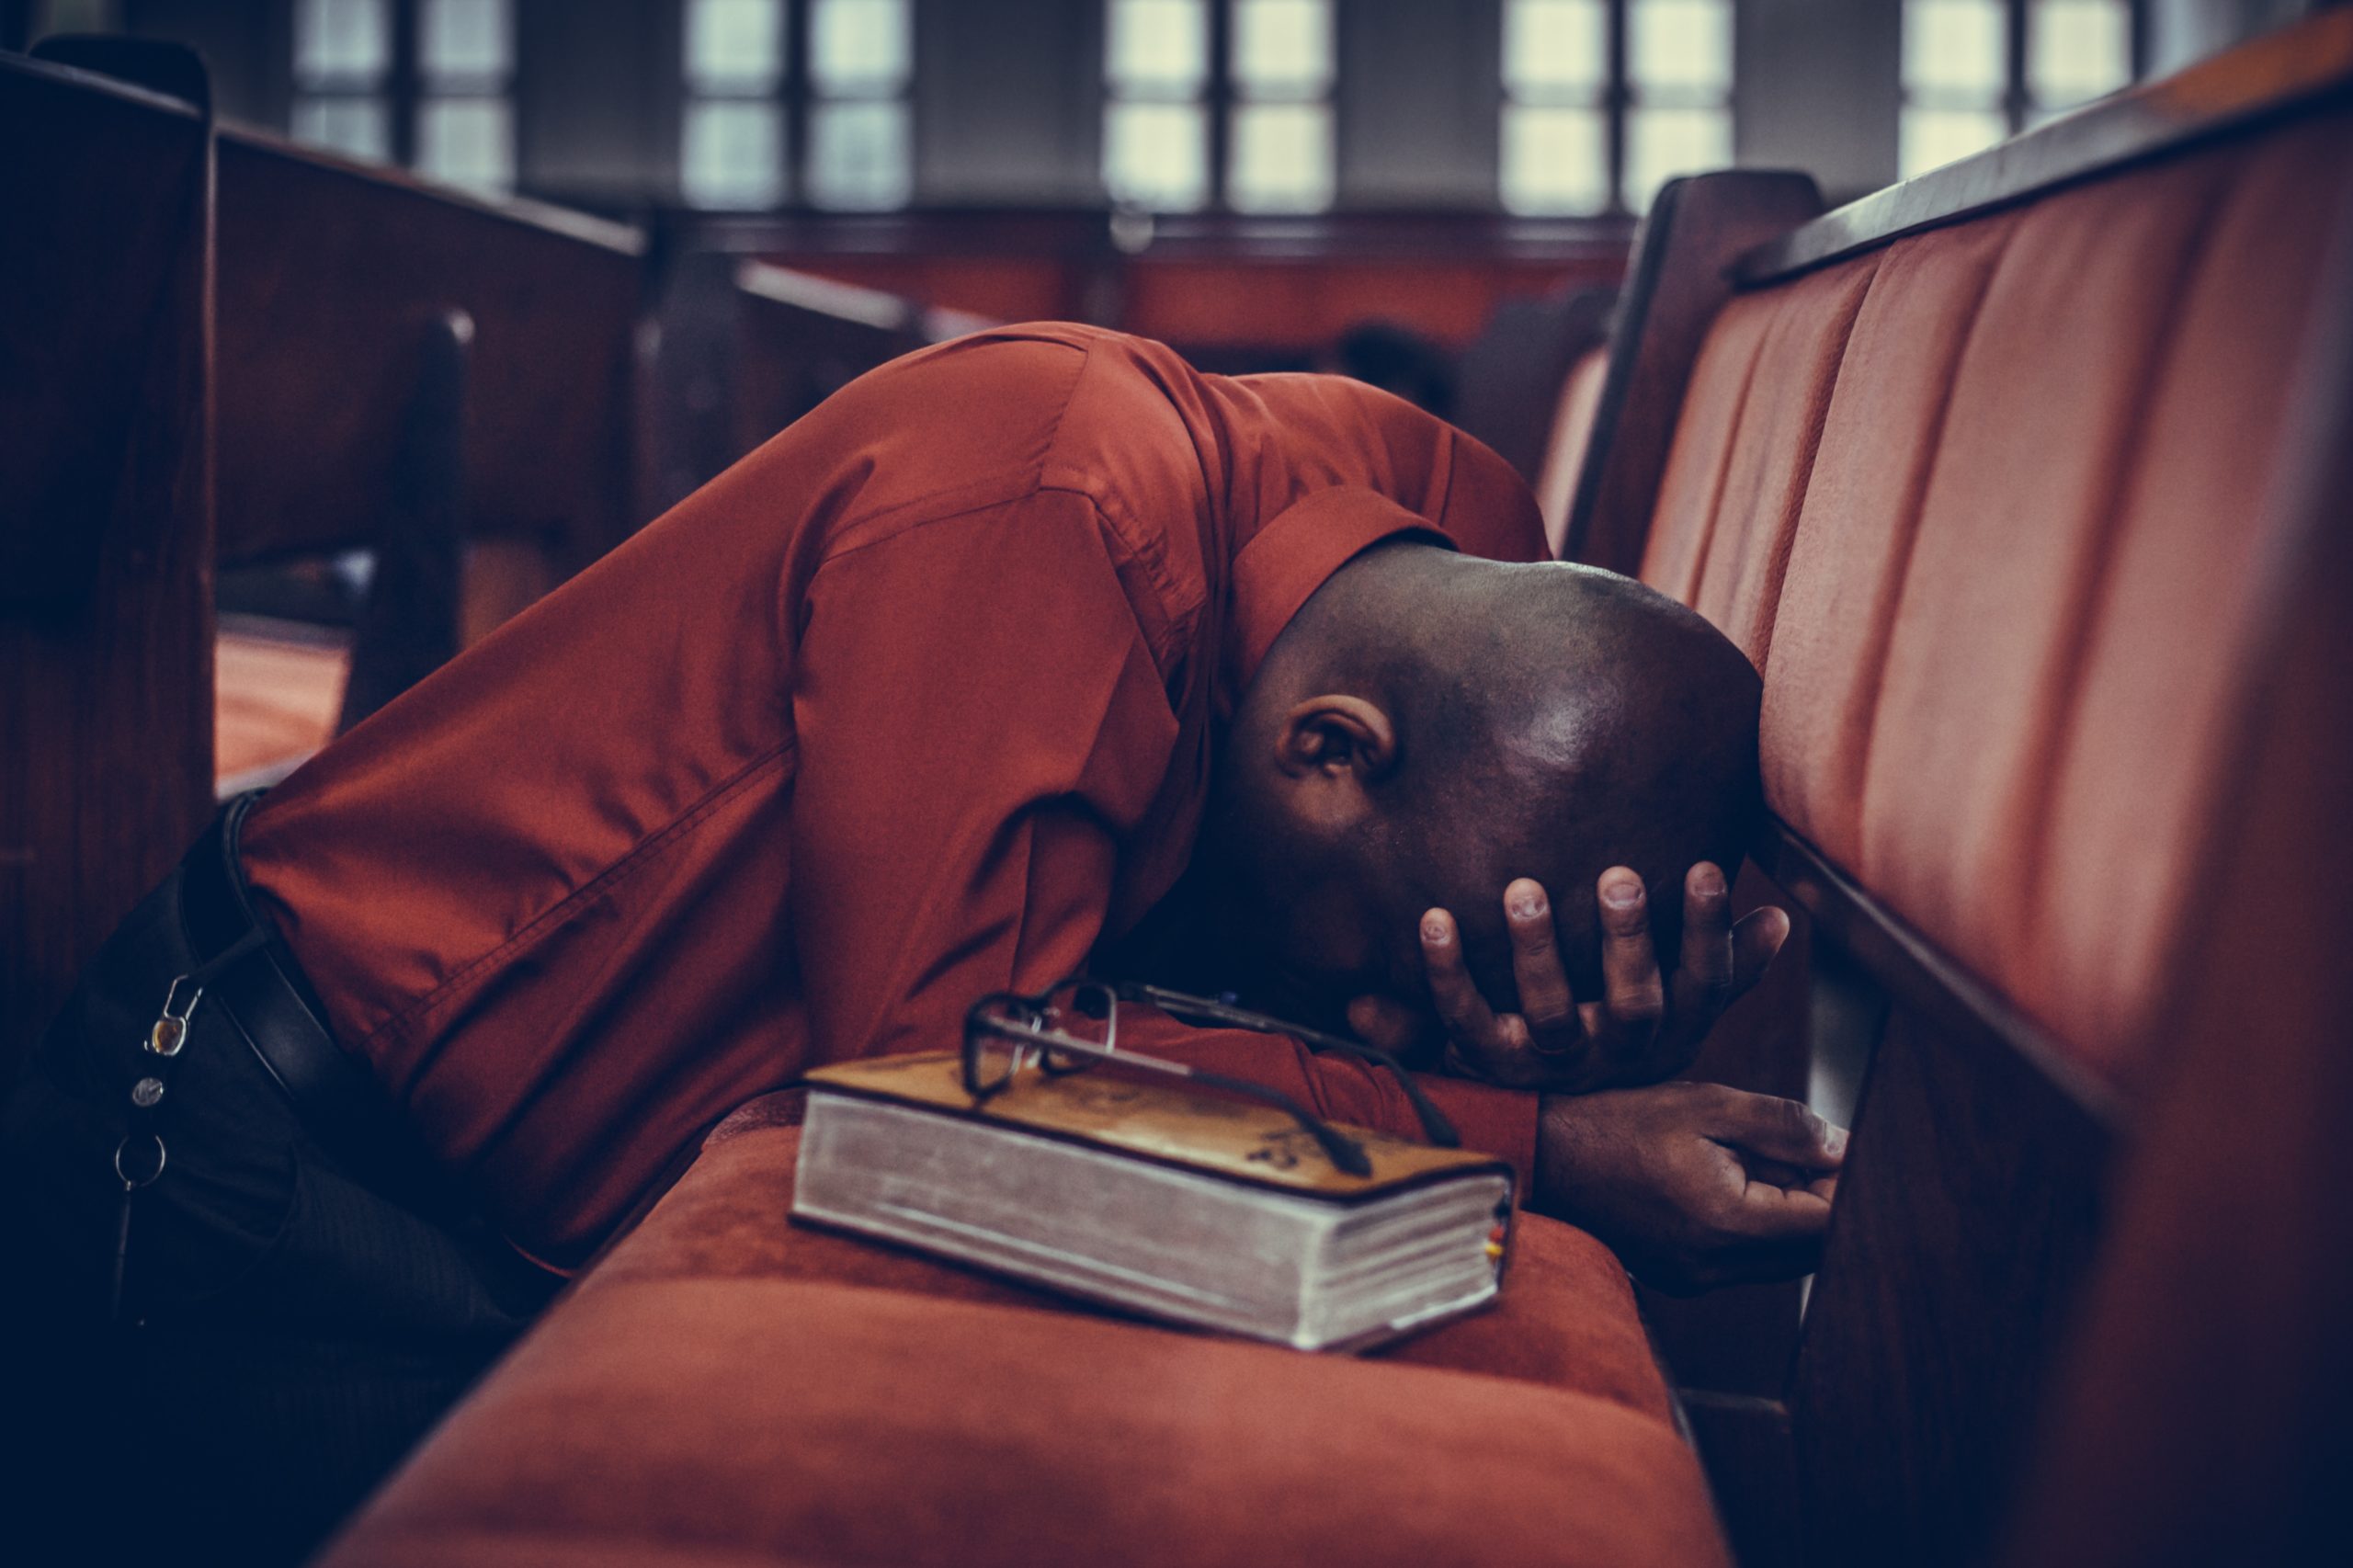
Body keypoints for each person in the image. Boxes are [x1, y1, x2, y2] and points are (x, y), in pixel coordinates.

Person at [2, 323, 1839, 1563]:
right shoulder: (1055, 504)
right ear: (1325, 752)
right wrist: (1537, 1143)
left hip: (544, 1209)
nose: (1374, 1026)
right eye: (1373, 978)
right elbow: (944, 1093)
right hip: (267, 1177)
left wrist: (1537, 1036)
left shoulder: (1438, 531)